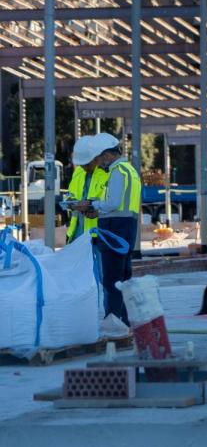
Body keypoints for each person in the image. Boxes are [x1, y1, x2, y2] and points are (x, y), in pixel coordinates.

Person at [70, 133, 141, 325]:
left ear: (107, 155)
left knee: (111, 280)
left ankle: (113, 321)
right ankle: (124, 321)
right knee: (123, 278)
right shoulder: (130, 170)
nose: (98, 163)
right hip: (126, 227)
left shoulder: (117, 171)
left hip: (114, 228)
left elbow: (113, 203)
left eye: (99, 158)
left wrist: (92, 205)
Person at [65, 135, 109, 244]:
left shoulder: (107, 174)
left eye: (87, 164)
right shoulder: (78, 172)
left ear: (96, 158)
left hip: (98, 234)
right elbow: (69, 196)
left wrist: (90, 205)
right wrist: (71, 203)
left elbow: (111, 203)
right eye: (82, 164)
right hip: (76, 234)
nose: (84, 167)